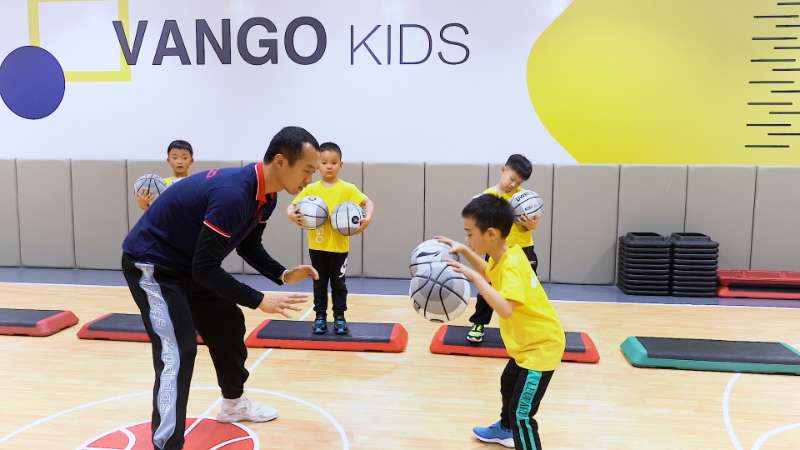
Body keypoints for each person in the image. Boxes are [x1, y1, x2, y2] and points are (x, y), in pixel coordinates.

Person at [121, 126, 321, 450]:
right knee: (177, 351)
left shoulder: (266, 197)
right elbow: (206, 268)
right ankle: (166, 445)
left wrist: (283, 274)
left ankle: (233, 404)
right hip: (152, 265)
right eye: (307, 170)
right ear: (281, 161)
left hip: (187, 264)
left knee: (227, 321)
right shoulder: (234, 195)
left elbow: (248, 246)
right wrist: (259, 300)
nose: (309, 180)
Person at [438, 193, 564, 449]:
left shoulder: (513, 265)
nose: (467, 238)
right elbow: (489, 273)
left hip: (540, 349)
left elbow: (505, 309)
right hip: (525, 346)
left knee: (522, 414)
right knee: (508, 383)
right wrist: (466, 252)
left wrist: (476, 280)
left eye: (470, 234)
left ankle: (516, 431)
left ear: (491, 234)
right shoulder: (506, 256)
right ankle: (505, 430)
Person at [287, 142, 374, 335]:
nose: (329, 166)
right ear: (318, 164)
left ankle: (339, 317)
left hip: (339, 248)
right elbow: (291, 207)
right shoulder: (311, 189)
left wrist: (367, 218)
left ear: (340, 165)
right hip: (317, 247)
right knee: (319, 284)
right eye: (324, 162)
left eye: (333, 162)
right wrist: (292, 215)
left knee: (338, 284)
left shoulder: (348, 189)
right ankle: (320, 317)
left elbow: (368, 203)